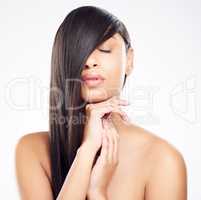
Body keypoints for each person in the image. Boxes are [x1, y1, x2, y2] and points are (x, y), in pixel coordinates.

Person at [15, 5, 187, 200]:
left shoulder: (163, 160)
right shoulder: (32, 150)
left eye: (105, 49)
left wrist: (97, 193)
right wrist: (86, 151)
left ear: (129, 60)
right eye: (80, 51)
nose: (90, 61)